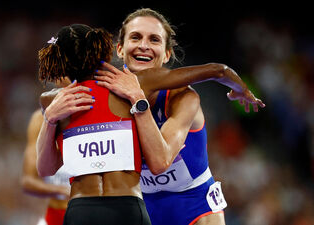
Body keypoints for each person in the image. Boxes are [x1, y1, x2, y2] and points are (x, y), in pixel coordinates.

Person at [36, 23, 263, 225]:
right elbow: (218, 70)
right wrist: (240, 89)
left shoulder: (181, 96)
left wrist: (49, 117)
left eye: (153, 39)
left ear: (166, 55)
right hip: (137, 205)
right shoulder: (132, 85)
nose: (144, 46)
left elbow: (160, 161)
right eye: (136, 38)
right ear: (117, 50)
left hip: (192, 201)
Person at [21, 92, 71, 225]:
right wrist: (62, 190)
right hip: (56, 214)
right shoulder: (39, 119)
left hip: (90, 212)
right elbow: (28, 181)